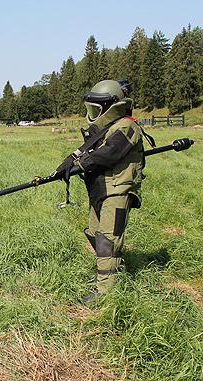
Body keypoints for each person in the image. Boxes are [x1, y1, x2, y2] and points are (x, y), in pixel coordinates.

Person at [60, 80, 148, 303]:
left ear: (112, 106)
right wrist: (68, 163)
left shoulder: (127, 126)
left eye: (96, 110)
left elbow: (109, 153)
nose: (92, 115)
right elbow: (89, 151)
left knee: (107, 240)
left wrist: (81, 164)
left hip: (118, 189)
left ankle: (105, 293)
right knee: (94, 233)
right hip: (100, 188)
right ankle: (114, 267)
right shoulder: (104, 129)